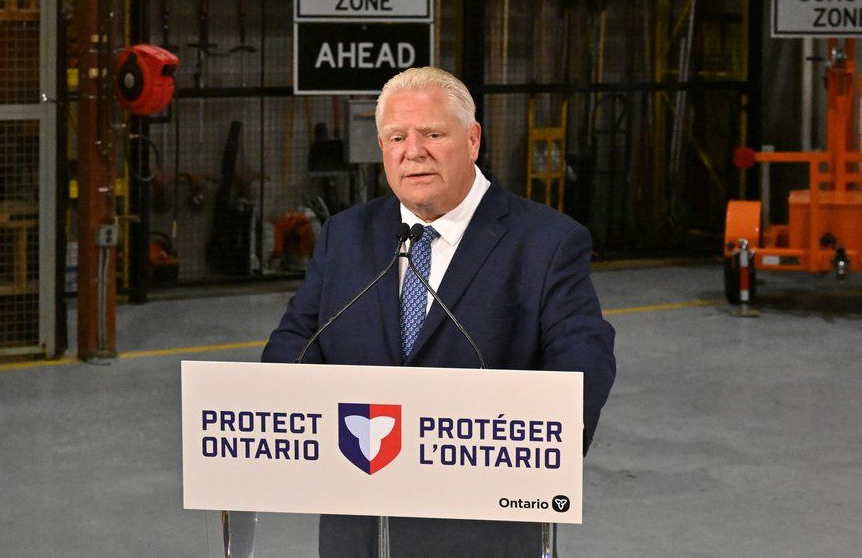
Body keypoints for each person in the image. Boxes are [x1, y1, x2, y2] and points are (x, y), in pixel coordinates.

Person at [262, 67, 617, 558]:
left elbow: (583, 353)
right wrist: (276, 408)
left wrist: (547, 447)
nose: (414, 151)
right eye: (397, 137)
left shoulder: (548, 241)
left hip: (482, 527)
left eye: (433, 134)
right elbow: (298, 336)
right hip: (360, 521)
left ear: (472, 140)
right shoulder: (345, 234)